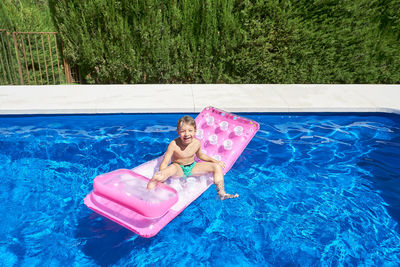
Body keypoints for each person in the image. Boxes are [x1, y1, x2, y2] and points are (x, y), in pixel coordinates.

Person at [147, 115, 239, 200]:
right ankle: (148, 193)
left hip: (192, 167)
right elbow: (165, 161)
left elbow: (200, 155)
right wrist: (163, 173)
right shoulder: (173, 144)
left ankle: (222, 193)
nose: (187, 134)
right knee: (166, 171)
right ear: (178, 132)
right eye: (183, 131)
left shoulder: (197, 143)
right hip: (178, 168)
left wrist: (215, 161)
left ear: (195, 131)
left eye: (190, 131)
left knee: (216, 167)